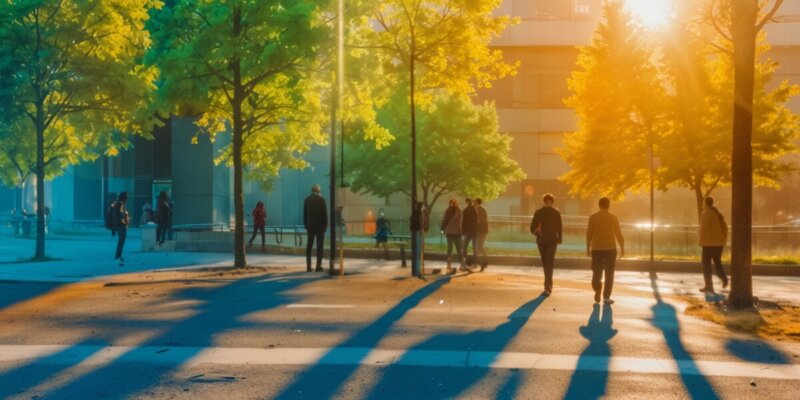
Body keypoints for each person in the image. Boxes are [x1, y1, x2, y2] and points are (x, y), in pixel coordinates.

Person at [586, 197, 624, 305]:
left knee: (596, 272)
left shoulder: (593, 217)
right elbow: (619, 234)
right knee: (609, 273)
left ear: (599, 205)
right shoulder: (613, 218)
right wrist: (622, 247)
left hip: (596, 249)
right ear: (609, 205)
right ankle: (606, 297)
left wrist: (587, 247)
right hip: (611, 249)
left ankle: (597, 287)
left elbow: (589, 234)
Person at [531, 193, 563, 296]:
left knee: (546, 263)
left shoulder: (538, 212)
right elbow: (560, 227)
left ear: (543, 201)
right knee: (549, 263)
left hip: (541, 240)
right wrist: (560, 238)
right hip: (552, 240)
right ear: (552, 202)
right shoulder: (556, 213)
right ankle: (548, 285)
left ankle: (547, 285)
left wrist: (537, 232)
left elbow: (532, 228)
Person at [699, 196, 729, 294]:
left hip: (708, 244)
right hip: (719, 244)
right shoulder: (718, 214)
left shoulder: (706, 214)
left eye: (704, 204)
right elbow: (725, 228)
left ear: (706, 204)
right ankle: (724, 278)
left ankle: (709, 286)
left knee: (706, 265)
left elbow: (703, 229)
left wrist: (701, 240)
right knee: (717, 263)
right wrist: (723, 239)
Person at [303, 184, 328, 272]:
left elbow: (305, 214)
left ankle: (308, 266)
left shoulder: (307, 200)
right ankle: (318, 266)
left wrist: (306, 225)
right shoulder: (322, 200)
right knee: (319, 246)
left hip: (310, 226)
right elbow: (324, 214)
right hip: (320, 227)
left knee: (309, 246)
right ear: (318, 190)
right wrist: (325, 225)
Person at [441, 198, 468, 274]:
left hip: (449, 232)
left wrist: (442, 229)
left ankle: (449, 265)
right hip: (457, 232)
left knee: (450, 248)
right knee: (459, 249)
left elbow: (444, 220)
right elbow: (461, 222)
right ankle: (462, 264)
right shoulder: (459, 211)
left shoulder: (448, 211)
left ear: (450, 204)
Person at [113, 192, 130, 266]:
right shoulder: (120, 205)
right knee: (121, 241)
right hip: (121, 226)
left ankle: (119, 255)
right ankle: (118, 256)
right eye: (126, 197)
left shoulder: (118, 204)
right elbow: (120, 216)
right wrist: (124, 222)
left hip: (118, 225)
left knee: (121, 241)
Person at [461, 198, 478, 267]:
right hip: (473, 231)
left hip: (469, 231)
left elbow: (463, 222)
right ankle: (474, 263)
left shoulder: (466, 210)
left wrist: (463, 230)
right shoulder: (473, 209)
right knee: (474, 248)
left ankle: (465, 262)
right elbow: (476, 220)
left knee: (465, 246)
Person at [475, 198, 489, 271]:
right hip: (483, 231)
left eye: (475, 202)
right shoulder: (482, 209)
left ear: (477, 202)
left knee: (478, 247)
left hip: (480, 231)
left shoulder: (479, 210)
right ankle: (484, 260)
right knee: (481, 246)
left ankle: (482, 262)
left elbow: (479, 221)